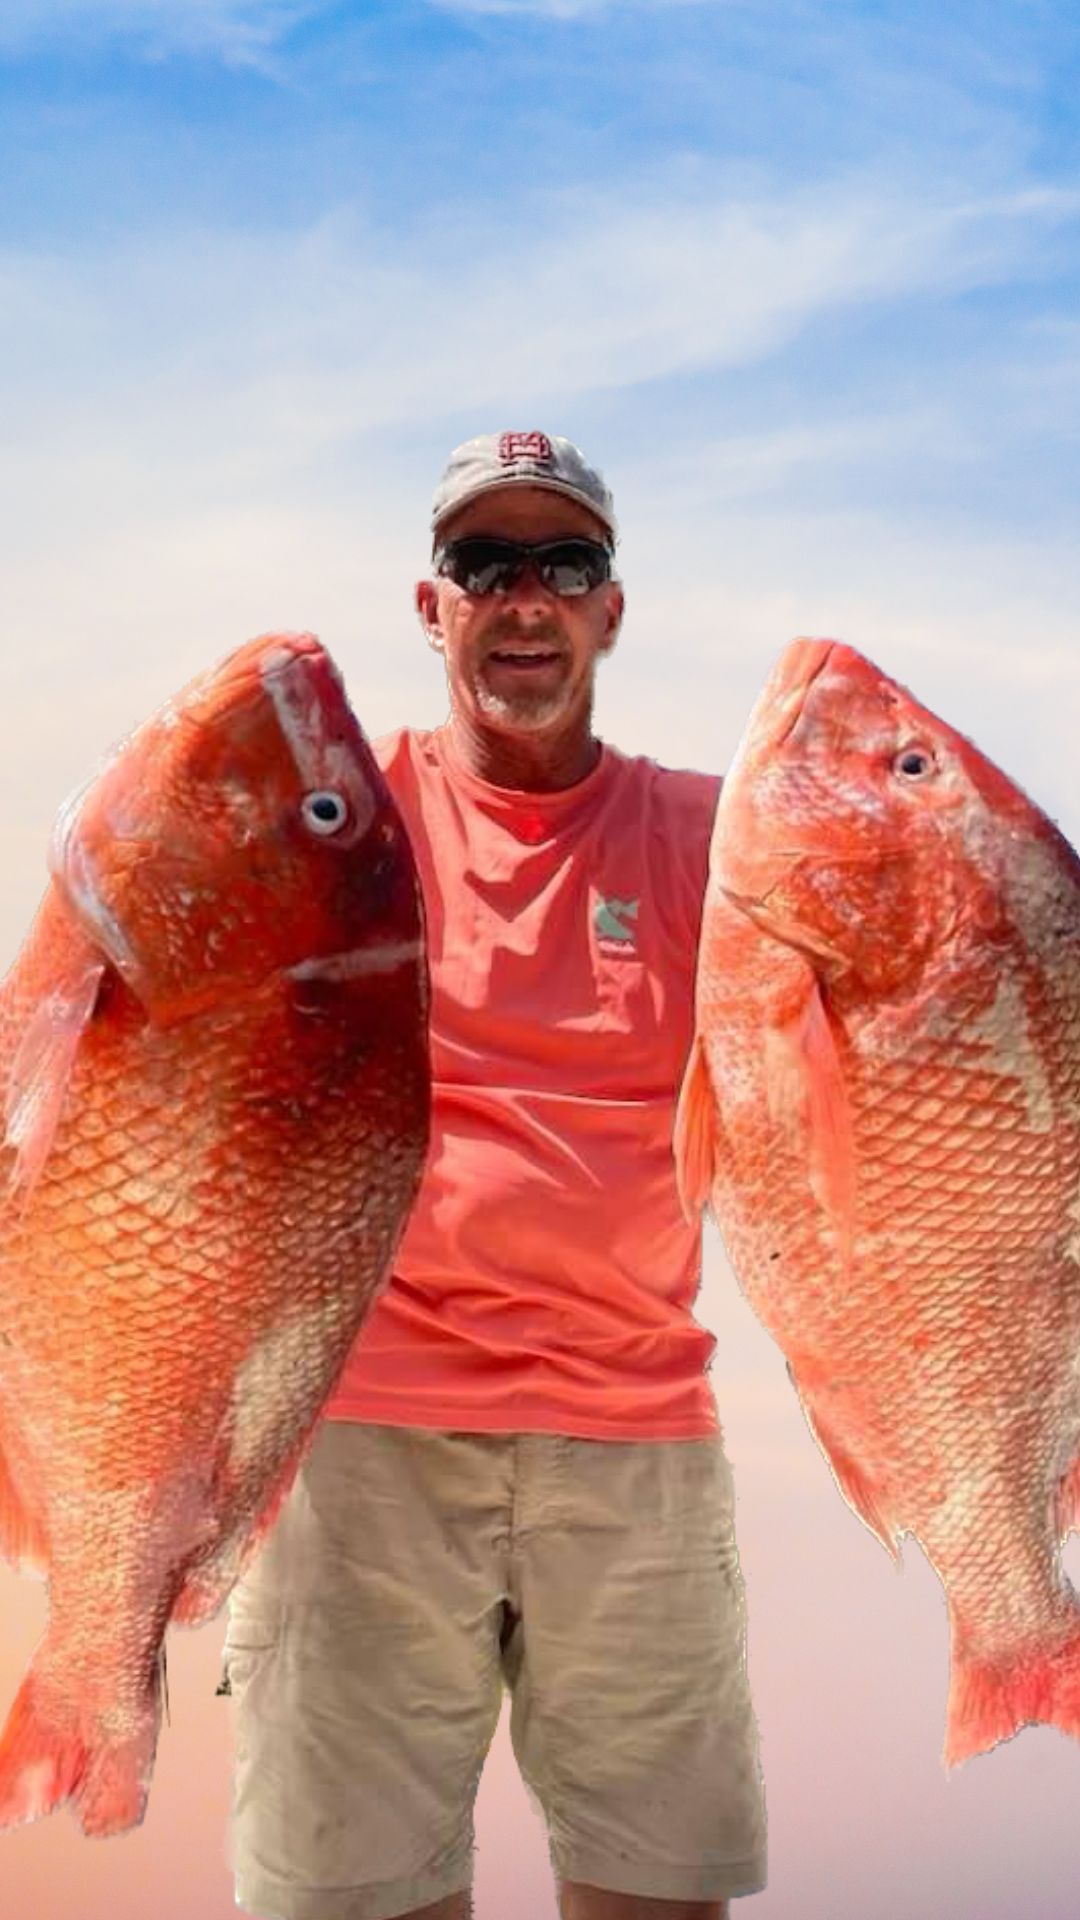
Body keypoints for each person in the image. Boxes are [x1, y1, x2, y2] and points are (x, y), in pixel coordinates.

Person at [221, 431, 768, 1920]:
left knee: (660, 1894)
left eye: (563, 565)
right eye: (486, 565)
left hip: (637, 1425)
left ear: (609, 608)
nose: (524, 599)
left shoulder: (717, 840)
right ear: (432, 602)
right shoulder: (346, 820)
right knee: (353, 1902)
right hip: (362, 1429)